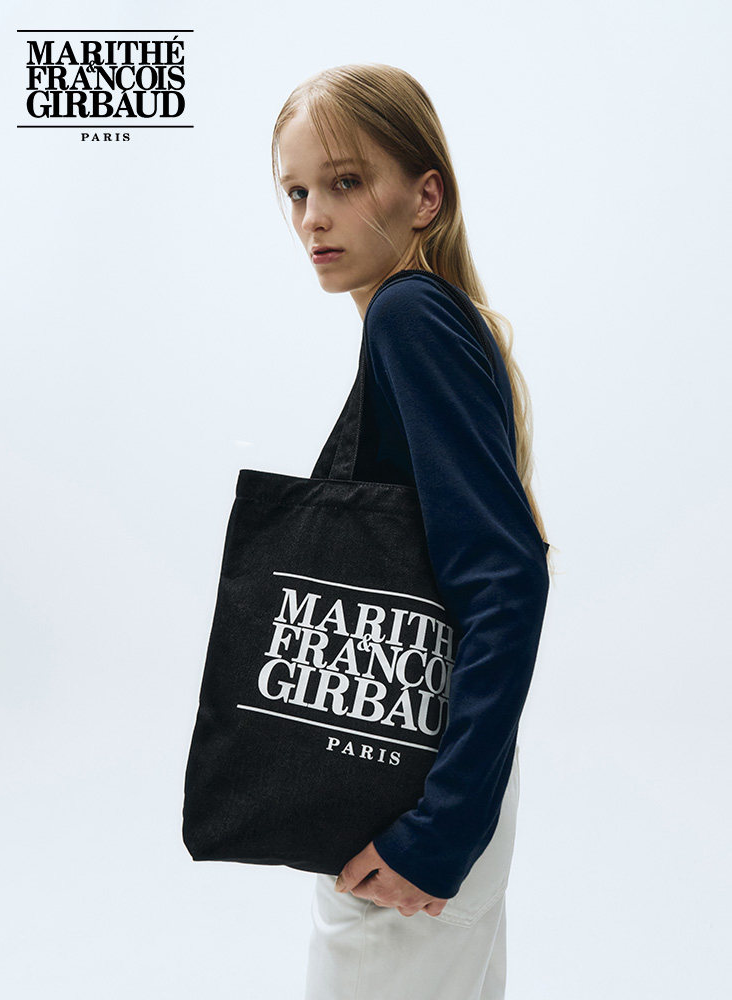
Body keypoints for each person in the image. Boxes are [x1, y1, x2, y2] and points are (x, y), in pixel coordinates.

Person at [271, 63, 551, 1000]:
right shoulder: (436, 320)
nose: (314, 217)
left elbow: (506, 578)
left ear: (425, 195)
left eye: (346, 182)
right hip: (440, 775)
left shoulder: (408, 315)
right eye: (297, 192)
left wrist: (436, 833)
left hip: (409, 792)